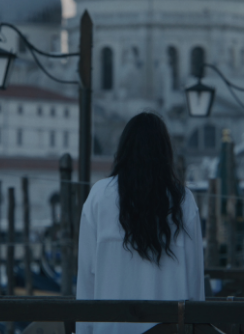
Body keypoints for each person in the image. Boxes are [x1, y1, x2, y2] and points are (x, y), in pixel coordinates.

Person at [76, 112, 204, 334]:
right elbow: (195, 283)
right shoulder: (184, 202)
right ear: (165, 153)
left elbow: (86, 279)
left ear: (124, 150)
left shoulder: (98, 197)